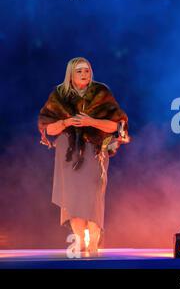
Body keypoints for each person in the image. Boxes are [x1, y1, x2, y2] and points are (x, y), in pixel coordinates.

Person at [38, 57, 129, 255]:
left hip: (94, 149)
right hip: (68, 152)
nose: (84, 74)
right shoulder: (60, 94)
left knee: (93, 197)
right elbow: (49, 129)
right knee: (72, 198)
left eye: (86, 70)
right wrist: (67, 122)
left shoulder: (101, 92)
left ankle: (94, 242)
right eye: (79, 71)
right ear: (71, 73)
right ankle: (79, 242)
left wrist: (91, 121)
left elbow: (116, 125)